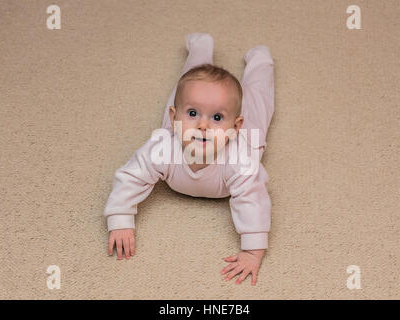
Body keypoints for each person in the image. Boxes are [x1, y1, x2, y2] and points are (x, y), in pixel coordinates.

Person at [103, 33, 275, 285]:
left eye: (217, 118)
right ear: (174, 118)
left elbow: (254, 202)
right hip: (177, 131)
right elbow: (131, 176)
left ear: (235, 126)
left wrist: (252, 250)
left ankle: (261, 59)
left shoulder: (241, 161)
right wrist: (120, 218)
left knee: (256, 95)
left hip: (244, 134)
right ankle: (201, 47)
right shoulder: (162, 146)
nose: (203, 125)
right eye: (193, 114)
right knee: (189, 82)